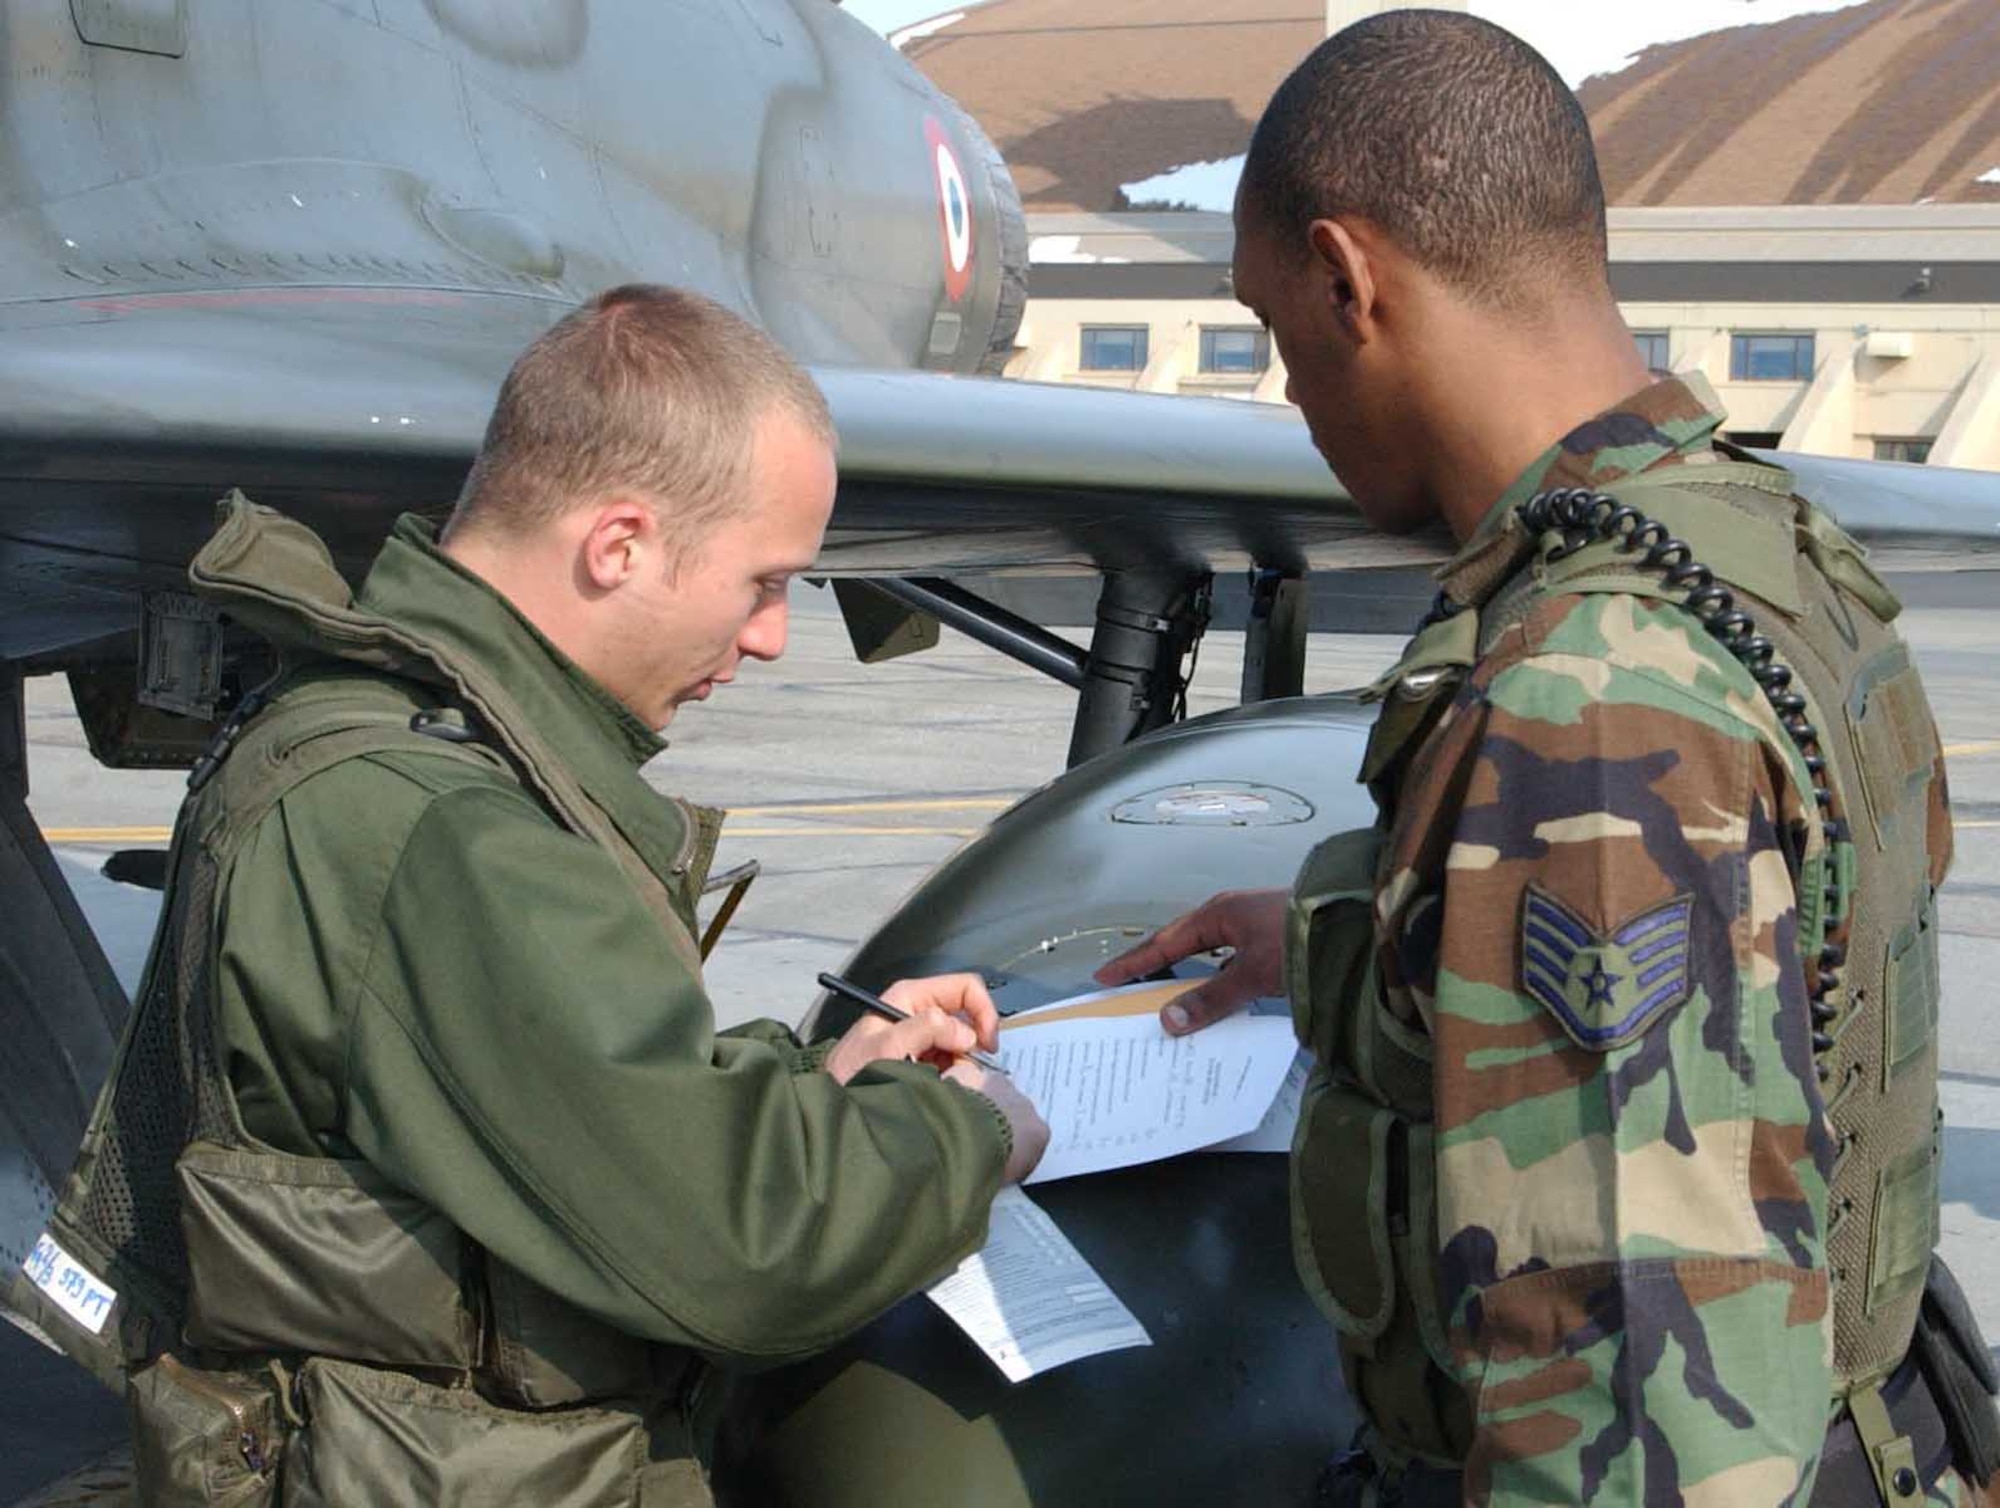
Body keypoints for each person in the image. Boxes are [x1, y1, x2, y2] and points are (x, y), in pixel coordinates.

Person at [1096, 12, 1994, 1504]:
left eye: (1277, 331)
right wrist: (1345, 947)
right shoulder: (1758, 545)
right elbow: (1770, 981)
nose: (1293, 395)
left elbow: (1646, 1417)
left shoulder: (1589, 701)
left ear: (1347, 280)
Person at [40, 284, 1046, 1504]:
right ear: (617, 545)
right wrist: (970, 1128)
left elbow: (507, 1091)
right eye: (764, 581)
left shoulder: (381, 732)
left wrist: (814, 1080)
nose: (775, 635)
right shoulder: (447, 825)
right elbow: (742, 1245)